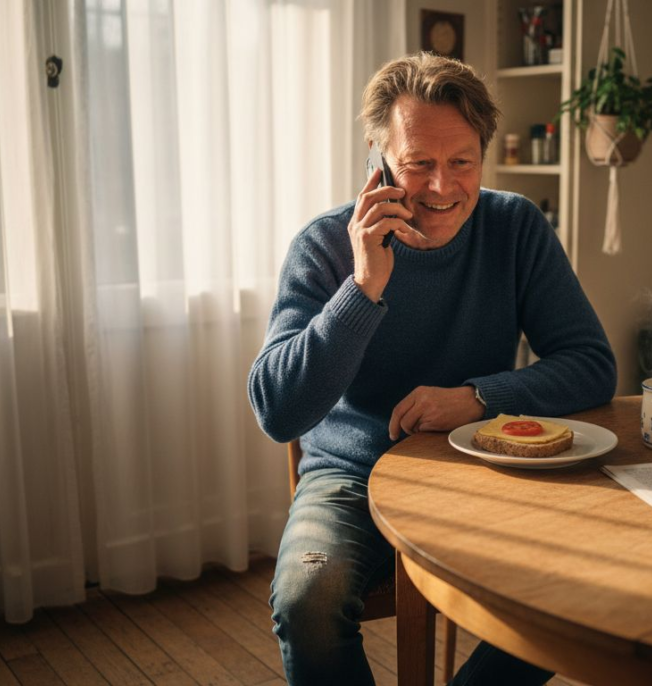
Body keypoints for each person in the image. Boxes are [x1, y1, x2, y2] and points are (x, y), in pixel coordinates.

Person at [247, 53, 617, 685]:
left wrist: (479, 397)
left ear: (483, 157)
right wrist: (363, 288)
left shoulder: (515, 227)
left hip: (487, 469)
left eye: (461, 163)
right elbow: (278, 411)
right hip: (351, 478)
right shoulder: (326, 244)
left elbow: (590, 365)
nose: (442, 188)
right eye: (419, 164)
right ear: (380, 161)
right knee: (306, 601)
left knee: (582, 582)